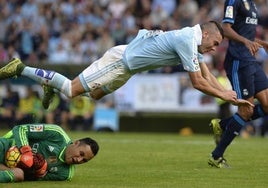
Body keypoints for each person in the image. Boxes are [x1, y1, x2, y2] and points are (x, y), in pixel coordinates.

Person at [0, 21, 252, 109]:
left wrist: (226, 93)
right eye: (216, 42)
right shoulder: (187, 39)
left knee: (95, 95)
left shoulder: (192, 40)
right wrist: (224, 95)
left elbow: (205, 72)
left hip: (128, 69)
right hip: (121, 62)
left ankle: (49, 85)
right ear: (206, 34)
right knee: (71, 90)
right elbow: (197, 82)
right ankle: (20, 67)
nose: (215, 48)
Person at [208, 0, 268, 168]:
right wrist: (245, 42)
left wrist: (261, 43)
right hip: (238, 61)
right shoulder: (234, 1)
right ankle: (216, 156)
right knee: (246, 110)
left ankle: (222, 124)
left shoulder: (253, 5)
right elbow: (226, 29)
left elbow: (245, 34)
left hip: (251, 60)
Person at [0, 123, 99, 182]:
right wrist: (26, 152)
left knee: (19, 175)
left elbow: (30, 178)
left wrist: (36, 172)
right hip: (7, 147)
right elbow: (20, 129)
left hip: (8, 167)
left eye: (84, 160)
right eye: (81, 154)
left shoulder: (65, 174)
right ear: (76, 143)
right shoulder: (57, 134)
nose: (79, 160)